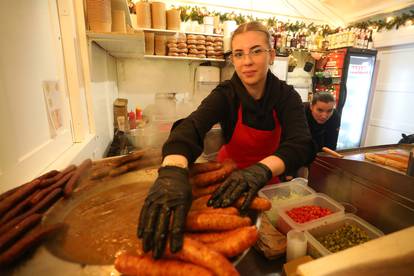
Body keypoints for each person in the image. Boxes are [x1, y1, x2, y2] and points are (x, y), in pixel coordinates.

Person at [137, 21, 315, 259]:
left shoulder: (286, 97)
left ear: (271, 55)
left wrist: (260, 170)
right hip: (224, 180)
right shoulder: (226, 94)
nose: (247, 61)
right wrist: (172, 169)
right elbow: (191, 126)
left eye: (256, 51)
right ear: (233, 59)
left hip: (265, 182)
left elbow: (300, 144)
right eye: (239, 54)